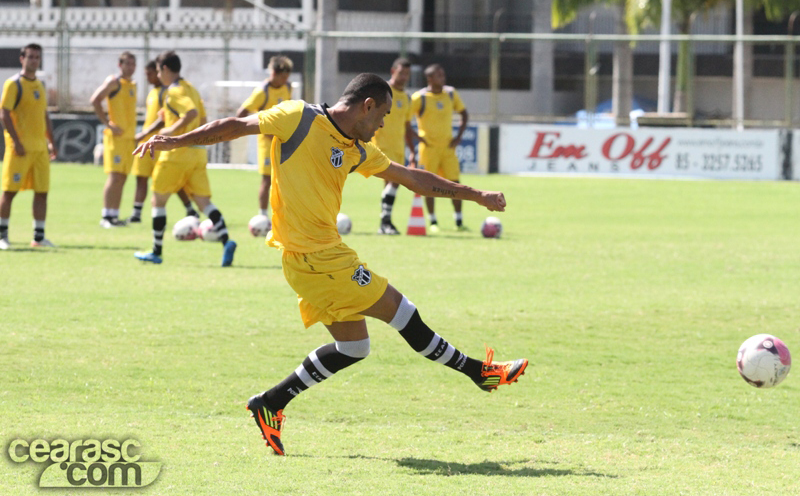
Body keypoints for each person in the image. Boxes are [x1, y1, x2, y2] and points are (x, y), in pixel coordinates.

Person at [134, 73, 527, 455]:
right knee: (403, 312)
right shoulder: (298, 117)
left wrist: (475, 195)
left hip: (309, 261)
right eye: (383, 115)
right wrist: (177, 140)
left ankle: (271, 403)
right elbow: (236, 126)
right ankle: (479, 373)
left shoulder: (357, 149)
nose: (383, 125)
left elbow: (412, 178)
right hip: (318, 258)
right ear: (367, 105)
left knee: (353, 347)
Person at [133, 50, 236, 266]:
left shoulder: (173, 91)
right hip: (197, 153)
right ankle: (227, 241)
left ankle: (156, 251)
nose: (158, 75)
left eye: (159, 71)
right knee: (203, 202)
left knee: (158, 201)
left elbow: (191, 114)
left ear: (165, 69)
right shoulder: (191, 89)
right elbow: (202, 120)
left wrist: (172, 132)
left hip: (176, 154)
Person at [0, 43, 56, 250]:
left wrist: (51, 141)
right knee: (9, 191)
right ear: (22, 59)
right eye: (30, 57)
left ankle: (39, 237)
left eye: (37, 57)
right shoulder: (14, 84)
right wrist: (16, 141)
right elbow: (4, 113)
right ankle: (2, 235)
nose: (34, 60)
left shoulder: (39, 85)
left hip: (40, 149)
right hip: (20, 149)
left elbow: (44, 114)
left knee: (42, 191)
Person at [128, 60, 198, 224]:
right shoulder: (153, 93)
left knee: (170, 180)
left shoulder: (169, 92)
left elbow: (164, 118)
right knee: (141, 177)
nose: (149, 77)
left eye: (152, 73)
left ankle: (190, 209)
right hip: (147, 142)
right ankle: (136, 214)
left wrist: (146, 132)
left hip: (160, 143)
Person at [410, 64, 469, 232]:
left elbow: (464, 114)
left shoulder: (450, 94)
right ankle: (433, 221)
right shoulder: (419, 98)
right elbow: (405, 121)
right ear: (429, 79)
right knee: (429, 185)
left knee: (455, 183)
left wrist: (458, 137)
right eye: (439, 75)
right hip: (428, 149)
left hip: (448, 148)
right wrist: (418, 137)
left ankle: (459, 221)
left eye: (443, 75)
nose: (443, 78)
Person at [235, 55, 293, 222]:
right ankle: (262, 217)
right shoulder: (262, 91)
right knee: (267, 179)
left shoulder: (288, 87)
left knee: (287, 179)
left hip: (285, 140)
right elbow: (241, 112)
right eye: (283, 76)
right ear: (274, 73)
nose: (285, 80)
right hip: (267, 143)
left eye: (287, 77)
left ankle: (286, 215)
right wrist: (252, 128)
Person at [370, 57, 417, 234]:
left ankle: (385, 223)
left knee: (392, 183)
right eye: (401, 73)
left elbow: (407, 126)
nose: (404, 77)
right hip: (381, 145)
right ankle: (385, 222)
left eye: (407, 74)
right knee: (396, 180)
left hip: (398, 148)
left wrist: (412, 151)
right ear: (393, 71)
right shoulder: (383, 91)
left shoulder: (407, 98)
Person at [90, 51, 137, 228]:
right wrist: (108, 124)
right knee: (114, 176)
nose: (130, 67)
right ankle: (106, 217)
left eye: (133, 64)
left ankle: (114, 216)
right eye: (127, 63)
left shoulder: (132, 85)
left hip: (128, 138)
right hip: (116, 138)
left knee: (122, 177)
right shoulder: (113, 82)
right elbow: (95, 100)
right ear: (120, 65)